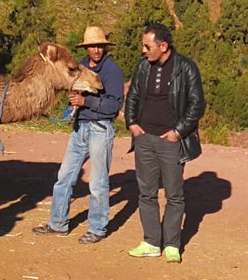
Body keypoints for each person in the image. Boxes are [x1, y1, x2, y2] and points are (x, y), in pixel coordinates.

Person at [33, 26, 125, 244]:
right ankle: (58, 223)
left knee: (98, 182)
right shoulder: (79, 66)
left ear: (104, 47)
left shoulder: (113, 72)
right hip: (80, 129)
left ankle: (97, 228)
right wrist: (73, 103)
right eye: (92, 46)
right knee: (64, 177)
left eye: (100, 46)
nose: (96, 50)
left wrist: (86, 102)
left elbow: (114, 105)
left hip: (100, 130)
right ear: (86, 47)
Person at [123, 22, 205, 263]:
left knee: (174, 195)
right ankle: (150, 242)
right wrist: (132, 124)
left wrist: (177, 133)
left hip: (171, 141)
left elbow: (196, 105)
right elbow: (133, 97)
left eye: (147, 46)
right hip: (144, 138)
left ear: (163, 46)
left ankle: (171, 244)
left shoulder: (186, 68)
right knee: (146, 193)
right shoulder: (143, 68)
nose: (143, 50)